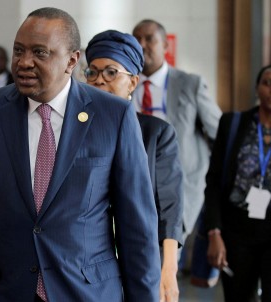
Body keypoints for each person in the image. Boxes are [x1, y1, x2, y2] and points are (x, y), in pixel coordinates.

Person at [0, 7, 160, 302]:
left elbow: (138, 231)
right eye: (18, 50)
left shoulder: (113, 116)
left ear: (72, 60)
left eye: (39, 53)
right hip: (4, 292)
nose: (24, 62)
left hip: (87, 292)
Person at [84, 29, 184, 302]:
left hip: (140, 258)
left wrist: (168, 269)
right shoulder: (75, 130)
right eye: (92, 72)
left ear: (133, 82)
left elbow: (169, 206)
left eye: (111, 72)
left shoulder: (155, 133)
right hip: (88, 267)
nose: (99, 81)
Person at [204, 64, 271, 301]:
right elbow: (214, 180)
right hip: (237, 229)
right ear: (257, 88)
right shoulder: (232, 124)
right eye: (267, 83)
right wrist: (213, 232)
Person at [131, 19, 222, 242]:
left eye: (149, 39)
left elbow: (219, 132)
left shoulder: (190, 84)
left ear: (165, 45)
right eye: (136, 39)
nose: (142, 44)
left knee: (167, 258)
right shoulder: (123, 83)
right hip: (134, 182)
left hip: (178, 186)